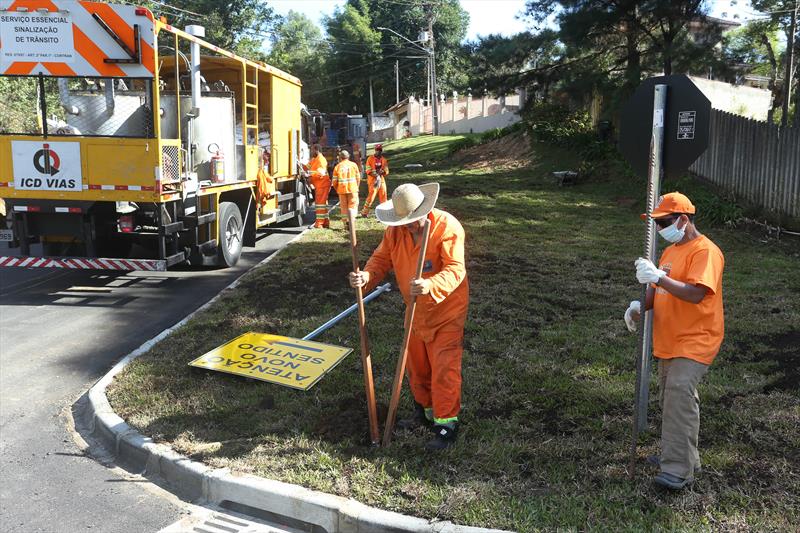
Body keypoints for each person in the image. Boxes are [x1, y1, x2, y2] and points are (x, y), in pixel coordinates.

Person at [349, 183, 469, 450]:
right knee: (417, 366)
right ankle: (424, 413)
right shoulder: (395, 232)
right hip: (414, 311)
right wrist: (367, 276)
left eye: (413, 222)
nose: (409, 227)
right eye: (405, 223)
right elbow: (381, 260)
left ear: (425, 211)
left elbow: (455, 269)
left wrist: (430, 285)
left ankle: (446, 425)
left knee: (443, 369)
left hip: (446, 311)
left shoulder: (448, 228)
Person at [623, 192, 725, 490]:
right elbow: (660, 290)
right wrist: (640, 306)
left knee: (679, 391)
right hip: (670, 338)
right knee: (673, 398)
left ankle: (678, 471)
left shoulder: (705, 251)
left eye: (664, 222)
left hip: (696, 338)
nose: (659, 229)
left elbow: (695, 293)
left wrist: (658, 277)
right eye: (656, 223)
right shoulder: (670, 253)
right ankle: (680, 456)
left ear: (684, 219)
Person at [331, 150, 361, 229]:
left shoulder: (337, 167)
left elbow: (334, 181)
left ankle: (345, 223)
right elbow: (358, 178)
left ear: (340, 157)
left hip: (341, 190)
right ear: (348, 156)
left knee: (344, 207)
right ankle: (351, 222)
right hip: (353, 189)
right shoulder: (353, 165)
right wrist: (356, 187)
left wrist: (337, 189)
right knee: (353, 205)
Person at [304, 144, 330, 229]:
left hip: (322, 185)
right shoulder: (315, 159)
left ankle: (319, 224)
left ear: (316, 150)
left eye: (312, 150)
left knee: (320, 205)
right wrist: (299, 165)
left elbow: (320, 173)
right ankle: (325, 222)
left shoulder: (321, 160)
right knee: (323, 205)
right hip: (320, 185)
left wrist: (309, 174)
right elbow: (307, 166)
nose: (311, 152)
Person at [361, 144, 389, 218]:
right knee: (371, 196)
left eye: (379, 150)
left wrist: (381, 173)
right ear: (375, 150)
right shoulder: (370, 159)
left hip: (381, 180)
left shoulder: (384, 160)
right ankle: (364, 212)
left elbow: (386, 171)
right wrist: (377, 175)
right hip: (373, 181)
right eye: (377, 150)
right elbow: (368, 170)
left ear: (381, 151)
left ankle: (384, 212)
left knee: (383, 195)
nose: (378, 151)